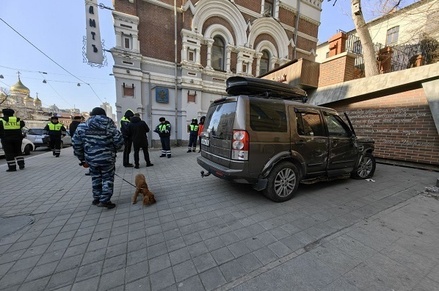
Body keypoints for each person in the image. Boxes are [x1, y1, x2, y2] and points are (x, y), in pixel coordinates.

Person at [72, 107, 124, 209]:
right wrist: (114, 149)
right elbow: (119, 140)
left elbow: (76, 144)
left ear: (91, 115)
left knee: (95, 178)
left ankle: (96, 198)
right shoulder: (109, 125)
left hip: (91, 159)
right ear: (104, 115)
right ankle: (105, 200)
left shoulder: (82, 126)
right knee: (107, 178)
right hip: (107, 158)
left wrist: (81, 158)